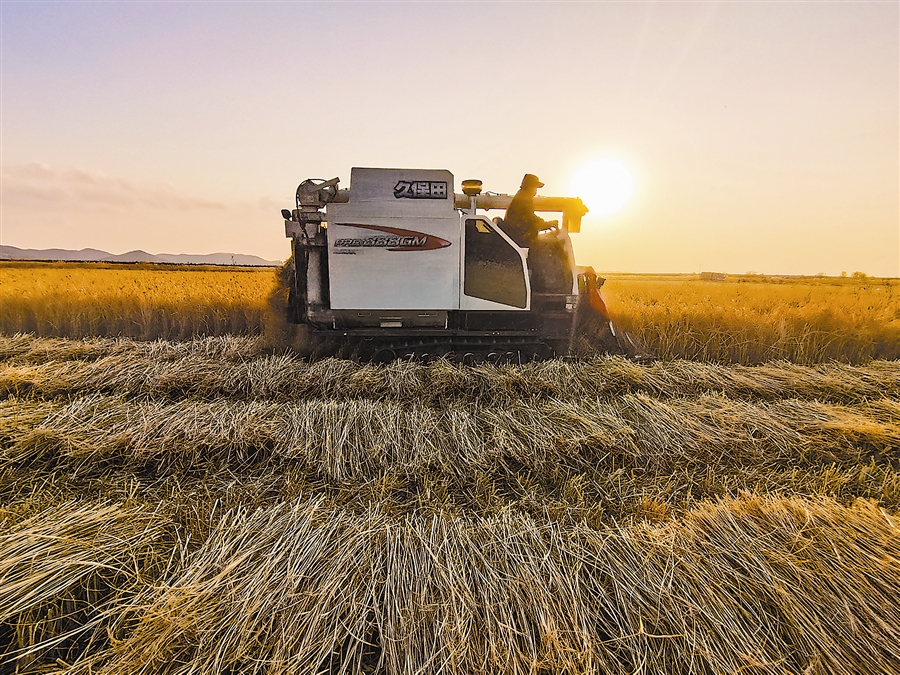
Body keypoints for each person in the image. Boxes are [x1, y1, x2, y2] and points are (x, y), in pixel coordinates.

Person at [502, 174, 557, 248]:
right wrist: (547, 224)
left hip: (517, 236)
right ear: (530, 187)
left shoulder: (521, 196)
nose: (535, 191)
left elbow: (531, 218)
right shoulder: (524, 199)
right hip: (519, 239)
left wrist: (545, 224)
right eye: (535, 188)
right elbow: (531, 220)